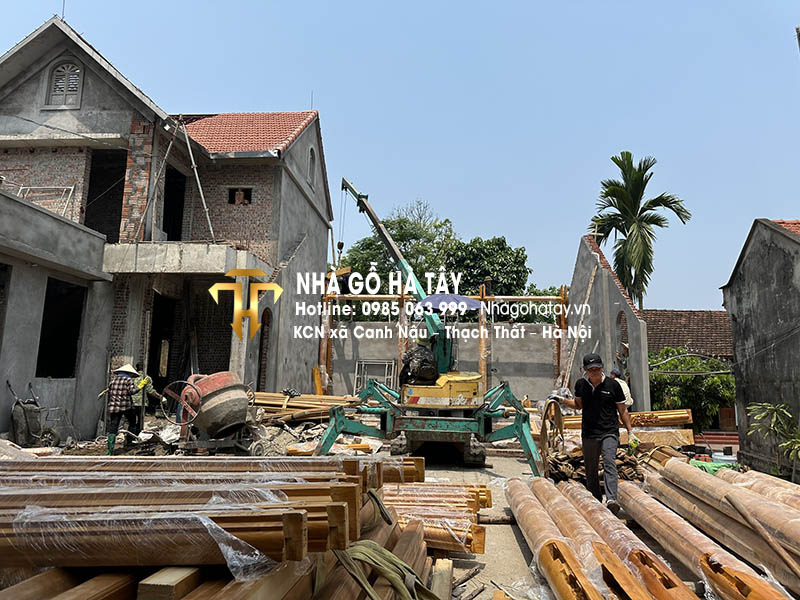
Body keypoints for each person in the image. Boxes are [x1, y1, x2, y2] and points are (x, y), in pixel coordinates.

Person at [561, 353, 634, 514]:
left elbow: (622, 410)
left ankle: (611, 499)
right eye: (591, 369)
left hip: (609, 431)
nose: (594, 372)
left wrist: (631, 432)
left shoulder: (613, 385)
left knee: (609, 461)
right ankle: (596, 499)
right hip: (589, 432)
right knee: (590, 468)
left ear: (602, 368)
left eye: (597, 369)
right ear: (585, 369)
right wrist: (561, 400)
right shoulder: (581, 385)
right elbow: (578, 405)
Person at [106, 363, 139, 455]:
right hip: (126, 406)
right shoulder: (128, 380)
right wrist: (139, 387)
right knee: (132, 421)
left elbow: (110, 392)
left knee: (113, 426)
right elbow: (132, 391)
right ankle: (130, 442)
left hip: (114, 407)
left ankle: (110, 451)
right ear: (129, 373)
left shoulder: (113, 381)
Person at [131, 362, 162, 439]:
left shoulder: (131, 377)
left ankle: (130, 437)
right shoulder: (146, 378)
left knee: (131, 421)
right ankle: (137, 437)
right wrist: (160, 397)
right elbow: (150, 391)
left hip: (130, 402)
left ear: (136, 368)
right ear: (145, 368)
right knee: (140, 421)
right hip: (141, 403)